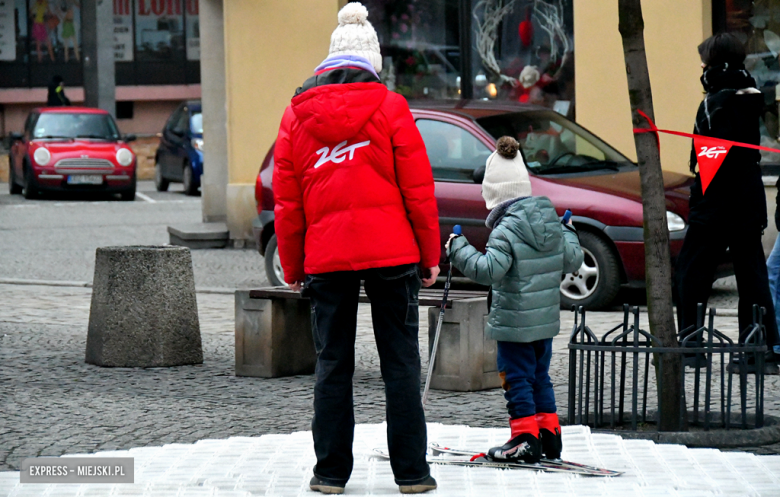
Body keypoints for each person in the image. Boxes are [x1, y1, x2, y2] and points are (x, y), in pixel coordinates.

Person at [273, 3, 440, 494]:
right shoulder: (390, 108)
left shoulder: (296, 115)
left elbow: (288, 200)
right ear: (373, 62)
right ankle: (412, 473)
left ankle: (330, 474)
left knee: (332, 365)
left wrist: (293, 262)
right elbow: (418, 188)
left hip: (326, 256)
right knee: (401, 363)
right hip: (392, 253)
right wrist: (430, 254)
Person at [446, 136, 583, 463]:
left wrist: (458, 248)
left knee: (516, 378)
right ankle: (549, 435)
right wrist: (568, 230)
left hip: (513, 325)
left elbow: (489, 270)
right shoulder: (549, 220)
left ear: (493, 194)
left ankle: (523, 439)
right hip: (544, 324)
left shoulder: (506, 230)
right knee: (539, 376)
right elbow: (573, 261)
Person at [675, 33, 780, 362]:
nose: (701, 66)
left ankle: (691, 346)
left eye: (704, 59)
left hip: (717, 200)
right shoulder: (752, 93)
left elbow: (710, 162)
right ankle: (756, 349)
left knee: (692, 272)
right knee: (752, 275)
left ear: (715, 62)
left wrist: (701, 199)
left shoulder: (715, 101)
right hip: (748, 197)